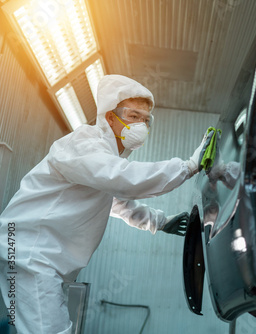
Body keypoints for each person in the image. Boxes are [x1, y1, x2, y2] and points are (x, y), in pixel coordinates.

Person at [0, 74, 212, 333]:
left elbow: (117, 202)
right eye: (133, 116)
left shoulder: (103, 157)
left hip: (38, 257)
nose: (142, 125)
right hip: (30, 255)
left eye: (146, 120)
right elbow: (123, 179)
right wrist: (188, 167)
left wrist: (160, 221)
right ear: (110, 117)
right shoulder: (84, 143)